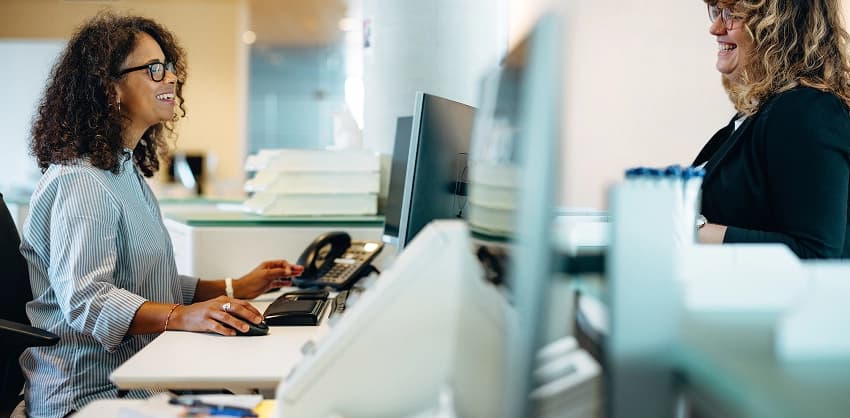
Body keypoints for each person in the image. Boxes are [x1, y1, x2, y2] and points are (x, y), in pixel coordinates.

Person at [19, 13, 304, 418]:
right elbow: (87, 300)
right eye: (154, 69)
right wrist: (182, 316)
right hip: (90, 395)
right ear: (109, 87)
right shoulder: (80, 182)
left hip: (141, 379)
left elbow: (146, 280)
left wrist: (235, 286)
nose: (169, 78)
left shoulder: (122, 170)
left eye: (169, 67)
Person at [694, 0, 850, 259]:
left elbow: (815, 252)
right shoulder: (763, 111)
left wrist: (692, 231)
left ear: (777, 25)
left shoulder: (807, 110)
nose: (715, 27)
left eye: (732, 14)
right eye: (716, 11)